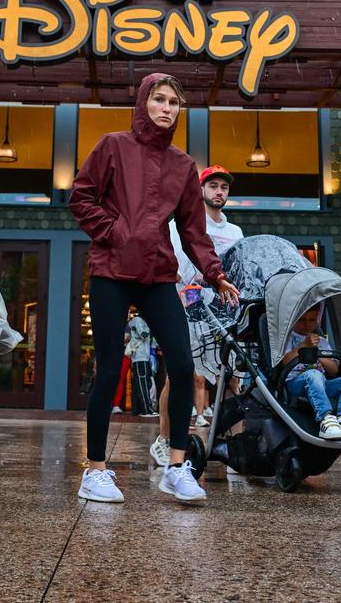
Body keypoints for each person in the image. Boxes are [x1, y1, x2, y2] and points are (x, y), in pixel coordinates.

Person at [70, 73, 239, 504]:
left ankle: (177, 467)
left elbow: (193, 230)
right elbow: (81, 197)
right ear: (144, 102)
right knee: (109, 369)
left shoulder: (183, 165)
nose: (166, 108)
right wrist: (116, 232)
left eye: (174, 103)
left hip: (158, 274)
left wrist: (214, 273)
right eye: (159, 100)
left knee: (183, 366)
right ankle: (95, 471)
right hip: (110, 270)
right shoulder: (113, 146)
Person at [150, 166, 243, 464]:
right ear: (201, 190)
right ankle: (163, 440)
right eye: (213, 186)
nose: (219, 192)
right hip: (187, 309)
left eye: (224, 188)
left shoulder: (235, 232)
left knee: (232, 379)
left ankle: (237, 447)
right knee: (180, 376)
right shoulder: (183, 226)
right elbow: (172, 266)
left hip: (222, 313)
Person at [281, 304, 341, 440]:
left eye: (312, 320)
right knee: (314, 374)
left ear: (317, 320)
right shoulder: (287, 338)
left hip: (321, 383)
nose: (307, 324)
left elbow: (334, 369)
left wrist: (317, 353)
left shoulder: (322, 341)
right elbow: (285, 362)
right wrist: (303, 346)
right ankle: (326, 418)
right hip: (295, 382)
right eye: (302, 320)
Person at [125, 314, 158, 417]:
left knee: (140, 383)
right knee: (142, 383)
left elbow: (153, 343)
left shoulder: (141, 321)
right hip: (140, 356)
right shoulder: (138, 320)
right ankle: (146, 410)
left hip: (143, 356)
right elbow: (143, 334)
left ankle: (137, 409)